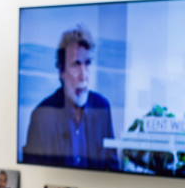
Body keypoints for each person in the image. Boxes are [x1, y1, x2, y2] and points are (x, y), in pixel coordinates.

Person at [21, 26, 118, 170]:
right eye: (76, 65)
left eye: (88, 64)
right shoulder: (41, 115)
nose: (84, 76)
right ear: (61, 71)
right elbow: (32, 173)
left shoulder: (102, 107)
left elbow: (112, 166)